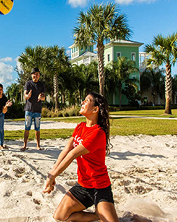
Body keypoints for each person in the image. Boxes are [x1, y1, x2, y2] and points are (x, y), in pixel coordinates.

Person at [43, 92, 119, 222]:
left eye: (87, 100)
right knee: (59, 216)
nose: (82, 102)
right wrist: (51, 174)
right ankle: (96, 215)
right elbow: (66, 150)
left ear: (95, 109)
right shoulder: (80, 127)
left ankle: (105, 212)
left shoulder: (97, 133)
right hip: (83, 186)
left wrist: (53, 176)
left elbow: (72, 154)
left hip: (99, 187)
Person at [20, 67, 45, 151]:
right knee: (27, 127)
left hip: (37, 110)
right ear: (31, 75)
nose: (35, 76)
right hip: (29, 109)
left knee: (37, 128)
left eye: (37, 74)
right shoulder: (28, 84)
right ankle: (24, 145)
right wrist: (28, 96)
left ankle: (38, 145)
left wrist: (40, 97)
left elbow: (44, 97)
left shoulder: (41, 84)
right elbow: (25, 95)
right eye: (34, 74)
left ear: (39, 75)